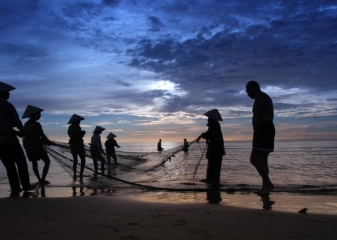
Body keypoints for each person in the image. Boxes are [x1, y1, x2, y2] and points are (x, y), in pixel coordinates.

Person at [0, 81, 34, 193]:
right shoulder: (7, 105)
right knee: (21, 163)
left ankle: (15, 188)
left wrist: (15, 132)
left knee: (9, 166)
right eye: (8, 92)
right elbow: (17, 121)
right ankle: (26, 186)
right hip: (10, 140)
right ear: (4, 93)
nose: (9, 94)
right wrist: (23, 132)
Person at [246, 80, 275, 196]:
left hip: (263, 129)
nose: (248, 94)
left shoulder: (259, 98)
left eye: (248, 91)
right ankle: (265, 187)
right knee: (263, 160)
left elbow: (258, 117)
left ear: (254, 88)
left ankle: (268, 183)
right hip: (268, 128)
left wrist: (256, 133)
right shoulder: (265, 97)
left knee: (254, 159)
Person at [22, 105, 54, 185]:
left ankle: (39, 179)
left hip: (28, 147)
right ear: (35, 115)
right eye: (39, 114)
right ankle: (42, 179)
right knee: (47, 161)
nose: (40, 116)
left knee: (34, 163)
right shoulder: (37, 124)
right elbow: (42, 135)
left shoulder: (26, 124)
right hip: (37, 146)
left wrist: (47, 141)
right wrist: (49, 142)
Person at [196, 109, 225, 184]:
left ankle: (211, 180)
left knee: (212, 165)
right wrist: (202, 135)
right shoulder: (215, 124)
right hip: (217, 149)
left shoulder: (214, 124)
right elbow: (209, 134)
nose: (207, 121)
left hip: (215, 149)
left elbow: (209, 134)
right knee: (215, 165)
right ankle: (214, 180)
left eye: (208, 120)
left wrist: (202, 136)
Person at [67, 114, 86, 181]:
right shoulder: (77, 127)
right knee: (83, 160)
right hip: (79, 145)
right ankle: (81, 174)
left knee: (75, 160)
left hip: (72, 145)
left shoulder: (70, 127)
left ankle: (75, 174)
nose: (79, 122)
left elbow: (69, 134)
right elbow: (79, 134)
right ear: (77, 121)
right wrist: (83, 132)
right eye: (79, 121)